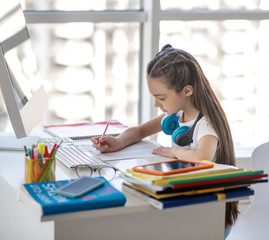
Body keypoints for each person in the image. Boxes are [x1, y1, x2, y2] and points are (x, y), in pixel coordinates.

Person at [91, 44, 239, 238]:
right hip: (186, 200)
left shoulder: (206, 125)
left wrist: (174, 152)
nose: (156, 104)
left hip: (208, 213)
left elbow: (203, 158)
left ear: (187, 91)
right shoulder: (179, 114)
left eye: (161, 97)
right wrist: (118, 142)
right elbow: (140, 131)